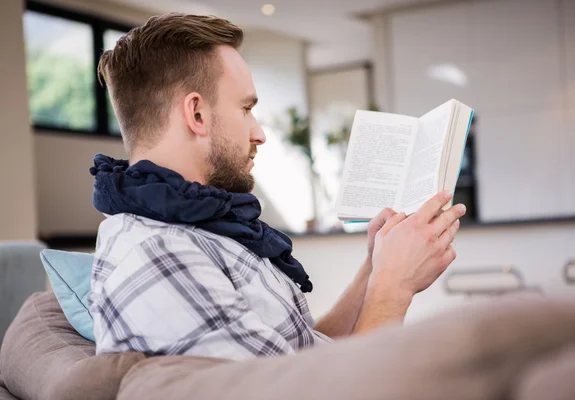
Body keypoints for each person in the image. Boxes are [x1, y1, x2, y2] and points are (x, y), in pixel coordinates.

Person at [88, 13, 466, 361]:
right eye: (246, 108)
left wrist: (375, 267)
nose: (260, 133)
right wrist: (394, 285)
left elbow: (299, 360)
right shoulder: (158, 254)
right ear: (197, 114)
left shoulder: (198, 230)